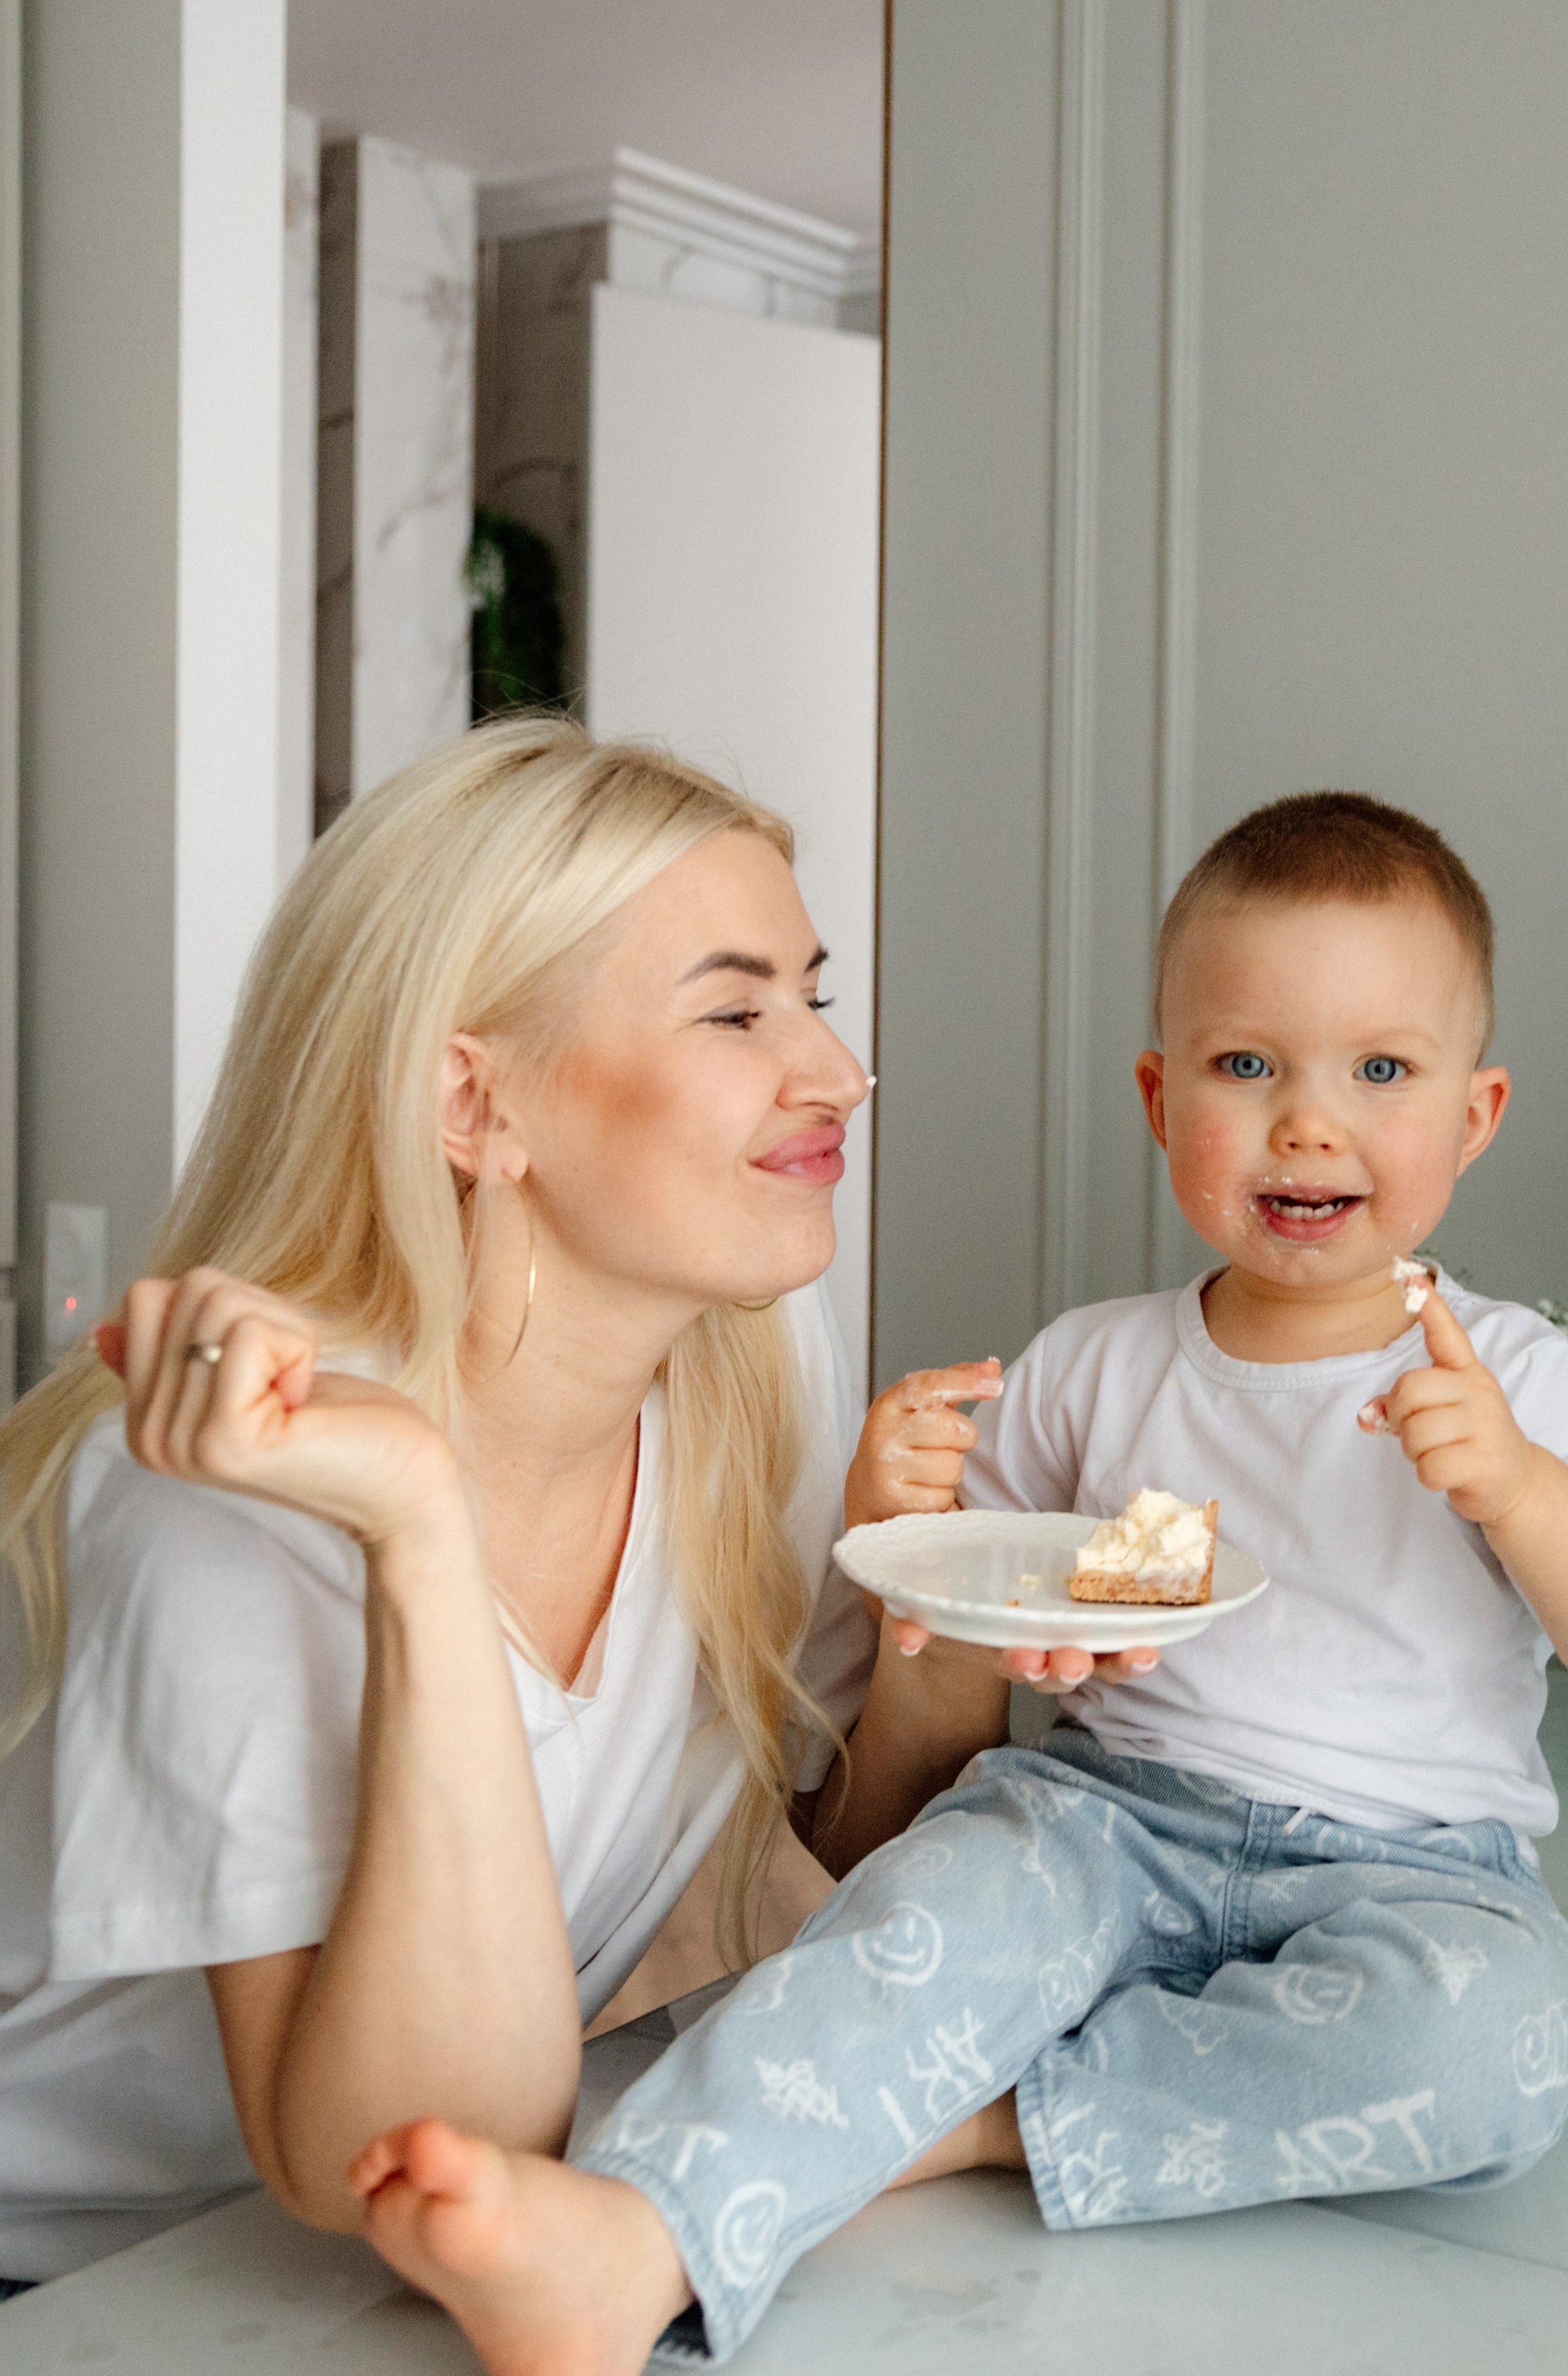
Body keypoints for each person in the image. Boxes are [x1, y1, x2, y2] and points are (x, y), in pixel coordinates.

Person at [338, 790, 1568, 2374]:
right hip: (1104, 1819)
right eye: (1243, 1065)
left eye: (1380, 1072)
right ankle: (628, 2238)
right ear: (1157, 1093)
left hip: (1415, 1870)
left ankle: (986, 2120)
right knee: (923, 1915)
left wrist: (1521, 1493)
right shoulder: (1089, 1369)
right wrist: (905, 1530)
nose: (1307, 1122)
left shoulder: (1518, 1379)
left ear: (1472, 1118)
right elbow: (958, 1651)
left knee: (1499, 2049)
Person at [0, 718, 1054, 2286]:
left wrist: (942, 1666)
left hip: (396, 2281)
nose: (838, 1071)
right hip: (93, 2289)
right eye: (735, 1012)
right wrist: (419, 1523)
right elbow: (409, 2152)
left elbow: (812, 1851)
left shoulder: (750, 1353)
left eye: (812, 997)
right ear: (473, 1105)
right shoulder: (234, 1488)